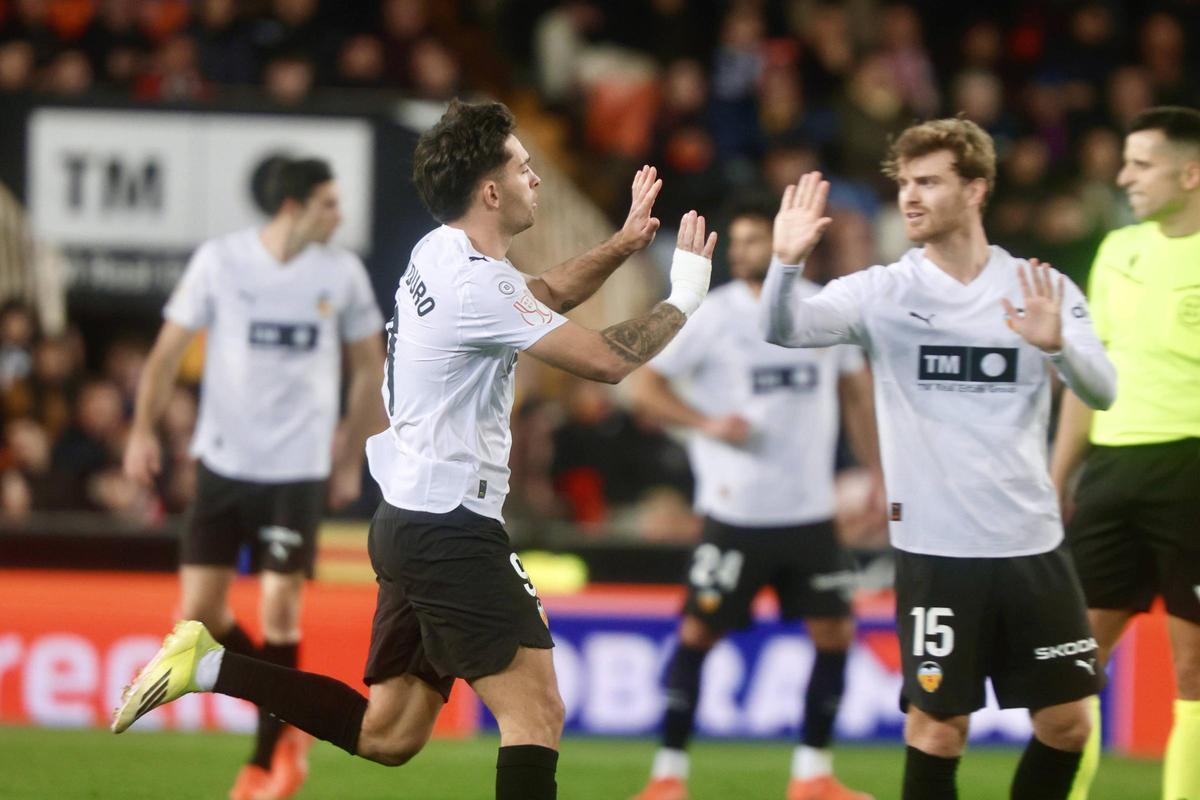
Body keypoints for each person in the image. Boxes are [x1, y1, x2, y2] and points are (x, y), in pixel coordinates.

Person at [112, 99, 717, 800]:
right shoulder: (474, 284)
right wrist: (688, 297)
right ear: (491, 191)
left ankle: (210, 665)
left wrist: (620, 245)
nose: (536, 179)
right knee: (536, 711)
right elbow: (607, 362)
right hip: (450, 529)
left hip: (408, 519)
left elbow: (539, 295)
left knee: (389, 735)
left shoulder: (440, 251)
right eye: (523, 168)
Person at [759, 118, 1117, 800]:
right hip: (937, 549)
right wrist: (785, 265)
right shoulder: (884, 292)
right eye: (904, 184)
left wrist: (1058, 346)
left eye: (929, 182)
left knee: (1069, 723)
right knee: (937, 729)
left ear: (976, 189)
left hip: (1031, 543)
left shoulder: (1040, 287)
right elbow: (784, 328)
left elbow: (1103, 388)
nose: (910, 198)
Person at [121, 157, 386, 800]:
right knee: (201, 614)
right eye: (328, 202)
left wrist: (350, 457)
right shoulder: (221, 260)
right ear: (292, 206)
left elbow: (367, 370)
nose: (339, 215)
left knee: (278, 607)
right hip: (223, 465)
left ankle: (266, 764)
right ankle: (288, 713)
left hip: (294, 472)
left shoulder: (342, 273)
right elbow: (163, 356)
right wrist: (140, 430)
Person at [630, 201, 883, 800]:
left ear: (781, 245)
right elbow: (646, 387)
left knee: (835, 635)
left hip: (810, 512)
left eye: (757, 239)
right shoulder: (711, 318)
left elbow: (854, 393)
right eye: (739, 241)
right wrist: (705, 423)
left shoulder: (819, 308)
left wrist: (877, 471)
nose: (747, 249)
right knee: (697, 633)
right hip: (736, 511)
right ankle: (668, 775)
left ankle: (812, 775)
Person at [1050, 105, 1200, 800]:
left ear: (1191, 172)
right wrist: (1058, 473)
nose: (1124, 177)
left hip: (1191, 468)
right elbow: (1088, 370)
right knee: (1075, 657)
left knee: (1193, 664)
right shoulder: (1118, 250)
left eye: (1141, 164)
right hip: (1111, 471)